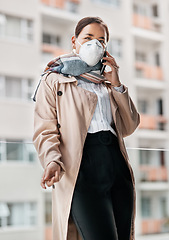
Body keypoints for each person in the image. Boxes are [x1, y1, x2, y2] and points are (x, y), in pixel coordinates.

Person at [32, 16, 140, 240]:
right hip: (80, 168)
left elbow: (129, 125)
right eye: (88, 38)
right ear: (75, 41)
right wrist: (52, 160)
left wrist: (117, 84)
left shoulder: (108, 81)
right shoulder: (54, 79)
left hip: (116, 165)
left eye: (101, 40)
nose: (95, 44)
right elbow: (45, 128)